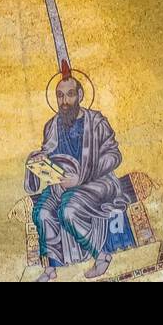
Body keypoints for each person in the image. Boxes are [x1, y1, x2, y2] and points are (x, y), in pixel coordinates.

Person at [25, 76, 126, 281]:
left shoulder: (96, 122)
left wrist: (82, 176)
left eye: (70, 94)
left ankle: (101, 256)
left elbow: (114, 155)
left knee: (68, 210)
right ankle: (51, 270)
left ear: (80, 95)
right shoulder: (52, 125)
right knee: (42, 212)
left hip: (95, 182)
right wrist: (39, 158)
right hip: (61, 186)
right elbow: (49, 151)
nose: (64, 101)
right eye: (60, 96)